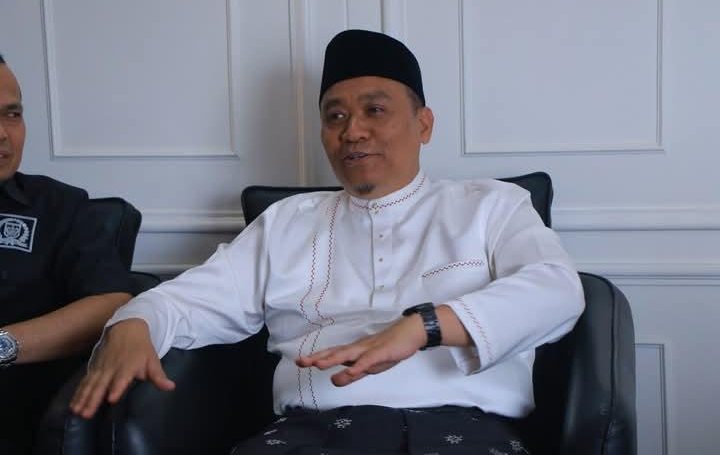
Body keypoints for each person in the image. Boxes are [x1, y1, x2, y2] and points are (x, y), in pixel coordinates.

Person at [70, 30, 585, 454]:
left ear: (424, 124)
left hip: (463, 433)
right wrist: (134, 323)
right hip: (310, 434)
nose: (352, 131)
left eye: (375, 110)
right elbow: (186, 301)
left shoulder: (492, 205)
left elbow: (557, 290)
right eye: (335, 116)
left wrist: (423, 327)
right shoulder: (286, 222)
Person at [0, 54, 134, 454]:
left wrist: (3, 345)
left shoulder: (59, 207)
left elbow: (111, 301)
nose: (3, 134)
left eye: (12, 114)